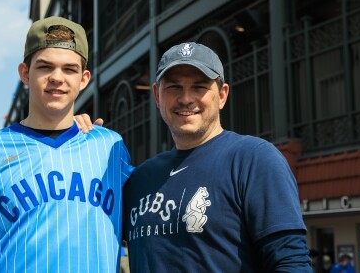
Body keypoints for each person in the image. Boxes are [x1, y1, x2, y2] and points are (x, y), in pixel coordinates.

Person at [75, 42, 312, 272]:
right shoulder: (141, 179)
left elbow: (291, 261)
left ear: (222, 95)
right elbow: (86, 228)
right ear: (157, 96)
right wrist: (74, 143)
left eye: (199, 87)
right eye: (174, 87)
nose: (186, 99)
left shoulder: (254, 159)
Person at [0, 16, 133, 272]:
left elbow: (145, 229)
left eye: (69, 69)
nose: (57, 77)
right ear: (25, 73)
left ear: (84, 79)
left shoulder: (110, 147)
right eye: (45, 67)